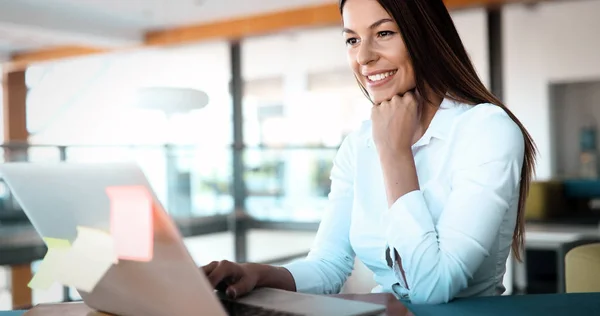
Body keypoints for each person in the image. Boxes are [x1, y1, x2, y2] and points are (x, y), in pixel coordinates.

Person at [202, 0, 536, 305]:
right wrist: (260, 274)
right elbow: (330, 264)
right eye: (352, 40)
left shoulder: (486, 129)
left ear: (428, 37)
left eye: (384, 33)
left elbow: (432, 288)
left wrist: (395, 154)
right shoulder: (357, 145)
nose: (363, 57)